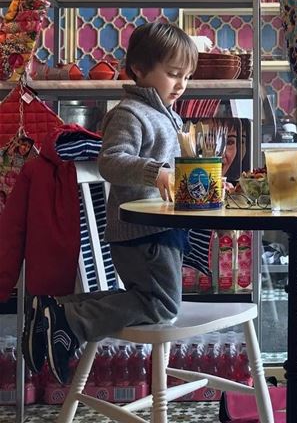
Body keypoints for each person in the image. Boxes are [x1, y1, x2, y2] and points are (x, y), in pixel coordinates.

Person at [22, 21, 198, 384]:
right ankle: (72, 320)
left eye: (187, 76)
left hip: (162, 226)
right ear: (139, 69)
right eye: (173, 74)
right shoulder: (129, 113)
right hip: (141, 230)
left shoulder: (168, 115)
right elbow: (111, 161)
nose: (181, 84)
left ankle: (58, 310)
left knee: (150, 298)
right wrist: (158, 173)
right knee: (161, 305)